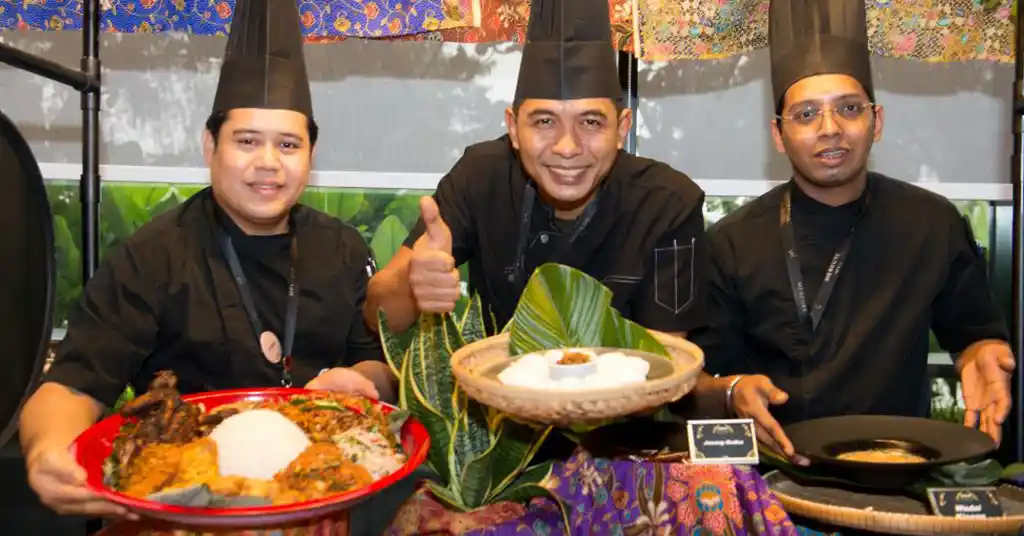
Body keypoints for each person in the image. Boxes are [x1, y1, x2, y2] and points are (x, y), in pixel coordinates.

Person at [19, 0, 393, 518]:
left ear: (310, 154)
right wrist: (46, 452)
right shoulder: (151, 256)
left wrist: (364, 382)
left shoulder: (343, 247)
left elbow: (375, 364)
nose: (268, 163)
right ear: (209, 145)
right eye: (246, 141)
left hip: (316, 496)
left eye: (288, 144)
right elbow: (71, 385)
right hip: (182, 499)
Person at [690, 0, 1015, 463]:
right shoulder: (733, 241)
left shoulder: (932, 224)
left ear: (876, 122)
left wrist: (981, 353)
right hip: (774, 475)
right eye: (805, 115)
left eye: (849, 108)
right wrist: (732, 390)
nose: (830, 129)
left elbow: (973, 333)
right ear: (779, 135)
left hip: (899, 468)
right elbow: (701, 381)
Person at [365, 0, 708, 340]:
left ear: (621, 130)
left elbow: (668, 361)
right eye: (545, 121)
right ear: (513, 128)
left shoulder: (668, 204)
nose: (567, 147)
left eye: (591, 122)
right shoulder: (480, 177)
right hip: (500, 391)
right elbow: (376, 317)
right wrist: (410, 283)